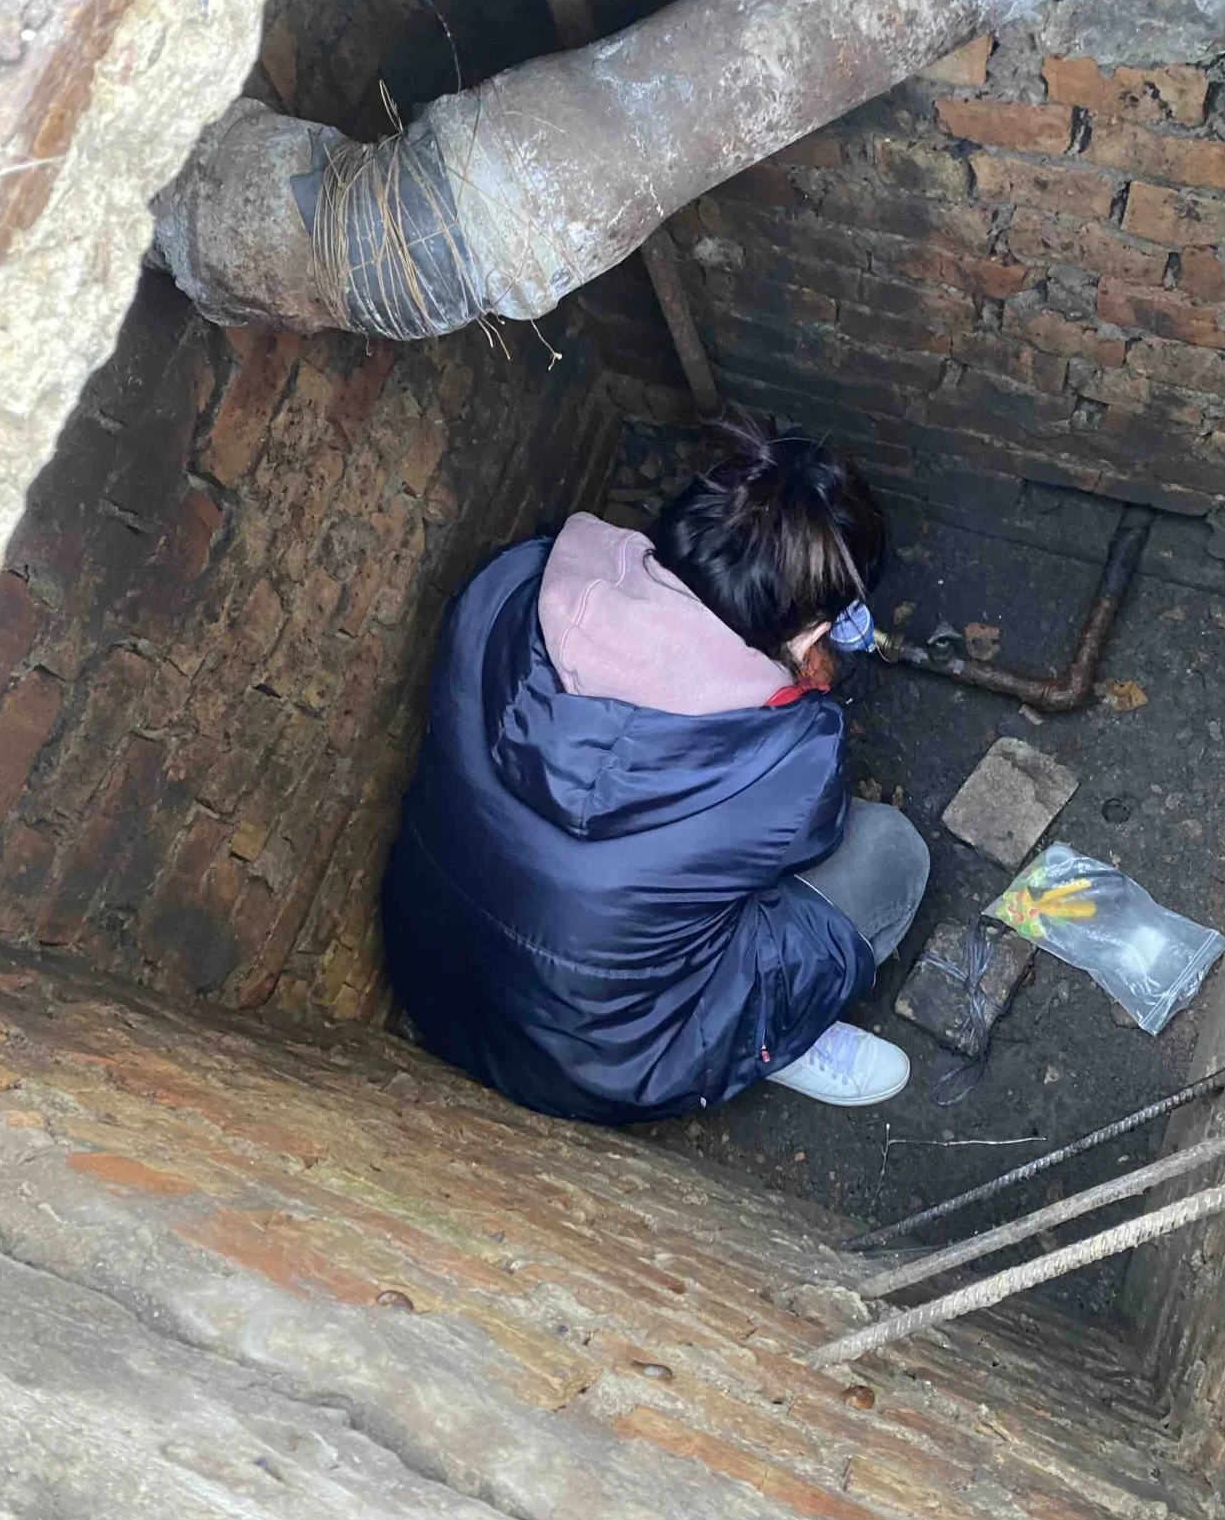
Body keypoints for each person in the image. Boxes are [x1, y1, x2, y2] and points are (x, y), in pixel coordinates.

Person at [381, 415, 929, 1126]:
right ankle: (772, 1038)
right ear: (811, 635)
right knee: (888, 852)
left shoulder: (508, 586)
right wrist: (792, 685)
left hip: (433, 973)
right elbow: (807, 844)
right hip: (601, 1068)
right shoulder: (792, 756)